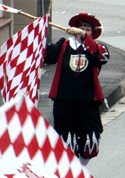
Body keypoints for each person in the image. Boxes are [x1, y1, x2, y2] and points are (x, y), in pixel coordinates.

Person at [45, 13, 109, 165]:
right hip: (64, 100)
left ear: (92, 33)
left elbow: (102, 58)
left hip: (88, 101)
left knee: (90, 138)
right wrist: (38, 36)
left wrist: (84, 39)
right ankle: (70, 173)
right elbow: (47, 56)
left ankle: (81, 170)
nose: (83, 31)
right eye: (81, 28)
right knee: (65, 139)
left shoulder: (97, 48)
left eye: (87, 29)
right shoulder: (64, 44)